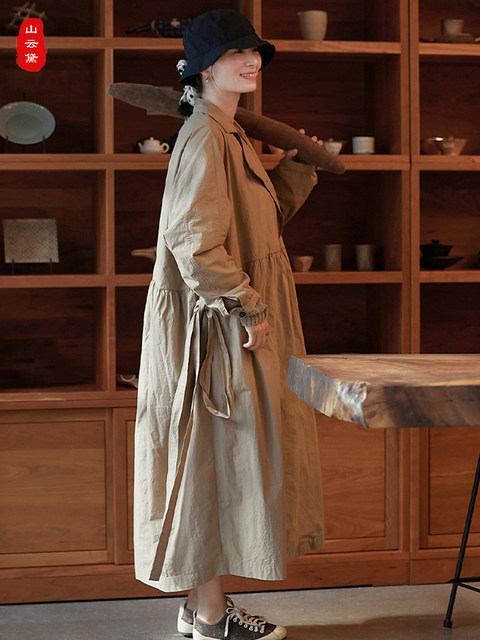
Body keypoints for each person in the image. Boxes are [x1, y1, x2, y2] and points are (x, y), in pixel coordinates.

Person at [134, 9, 324, 640]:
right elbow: (193, 240)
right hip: (217, 326)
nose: (251, 61)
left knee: (215, 460)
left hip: (229, 318)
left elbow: (250, 230)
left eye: (254, 52)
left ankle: (200, 610)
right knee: (209, 462)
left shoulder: (229, 133)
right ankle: (212, 619)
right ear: (202, 68)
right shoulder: (205, 137)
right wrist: (248, 306)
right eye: (235, 53)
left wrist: (295, 169)